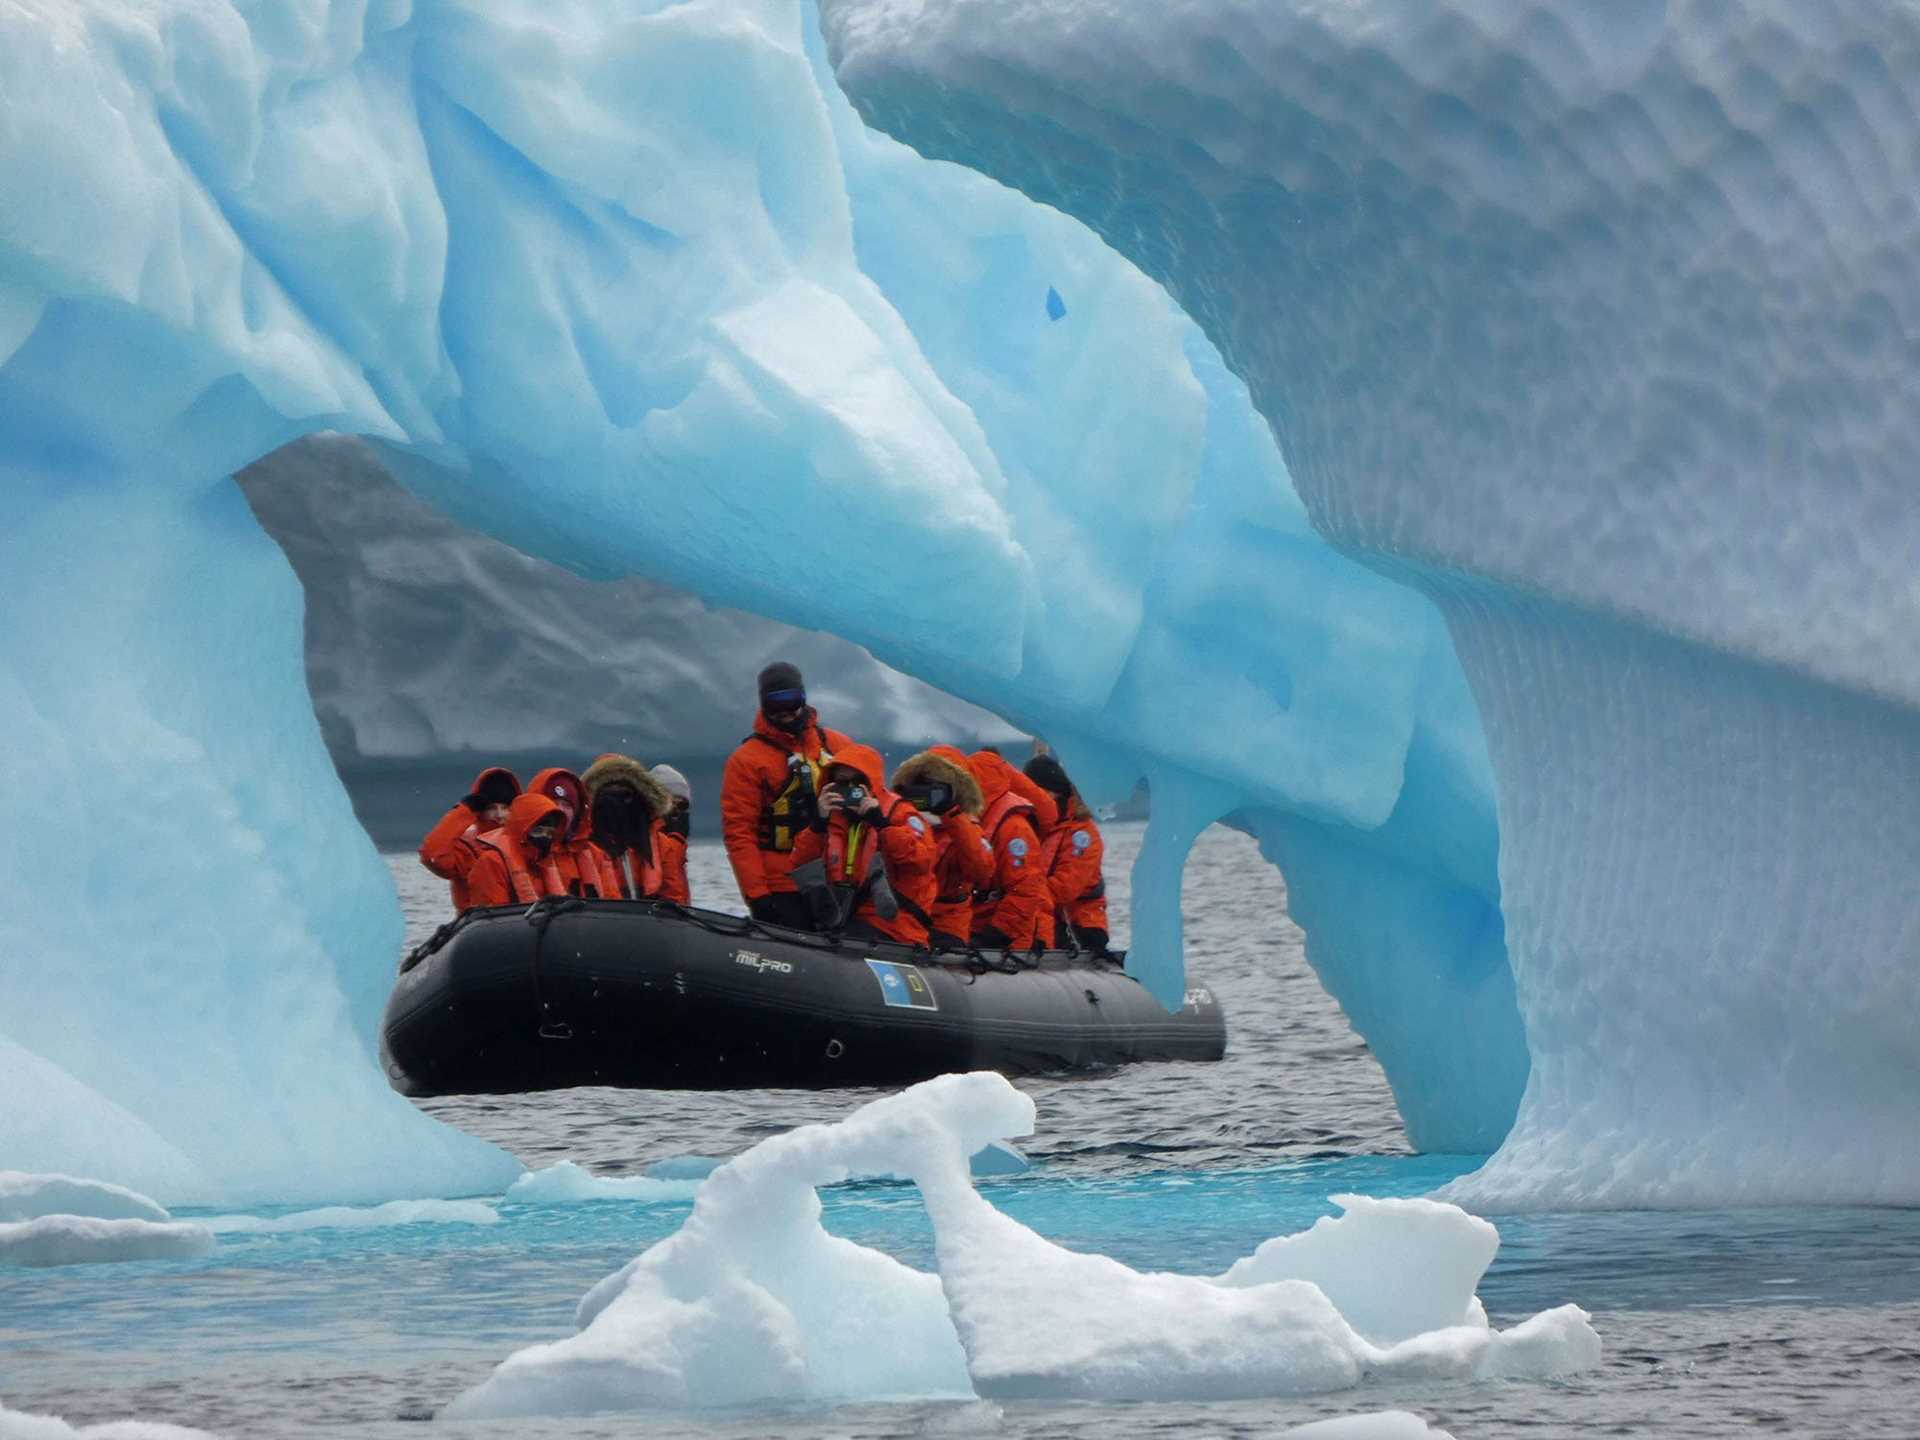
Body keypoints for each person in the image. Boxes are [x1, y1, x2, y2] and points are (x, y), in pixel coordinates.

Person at [720, 662, 852, 926]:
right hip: (782, 884)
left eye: (791, 700)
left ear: (803, 698)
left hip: (837, 878)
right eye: (775, 704)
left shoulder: (838, 745)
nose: (785, 712)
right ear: (763, 705)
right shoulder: (747, 760)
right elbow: (740, 834)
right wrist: (757, 896)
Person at [788, 743, 938, 944]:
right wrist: (817, 826)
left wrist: (882, 825)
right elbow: (800, 863)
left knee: (846, 939)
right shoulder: (830, 815)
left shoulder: (901, 814)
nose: (850, 789)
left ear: (871, 783)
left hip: (894, 921)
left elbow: (922, 862)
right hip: (842, 914)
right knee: (789, 921)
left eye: (858, 782)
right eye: (842, 782)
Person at [892, 745, 990, 949]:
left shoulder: (968, 829)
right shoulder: (900, 819)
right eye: (920, 784)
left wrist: (951, 816)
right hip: (903, 916)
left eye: (936, 787)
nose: (926, 793)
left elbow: (981, 871)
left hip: (946, 925)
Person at [1025, 752, 1112, 956]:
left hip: (1079, 924)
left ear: (1054, 793)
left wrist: (1024, 896)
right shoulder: (1034, 827)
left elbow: (1066, 888)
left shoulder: (1081, 834)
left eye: (1038, 792)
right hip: (1039, 918)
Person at [965, 748, 1052, 950]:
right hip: (977, 929)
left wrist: (997, 933)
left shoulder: (1014, 829)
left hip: (1010, 939)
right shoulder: (977, 821)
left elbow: (1024, 889)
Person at [580, 754, 688, 903]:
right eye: (608, 792)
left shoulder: (664, 847)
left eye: (626, 793)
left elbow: (676, 900)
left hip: (653, 922)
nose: (617, 800)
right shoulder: (579, 848)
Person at [418, 766, 522, 911]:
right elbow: (432, 856)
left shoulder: (528, 844)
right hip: (480, 925)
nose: (499, 815)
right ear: (479, 811)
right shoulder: (466, 848)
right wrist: (464, 811)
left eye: (505, 807)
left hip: (526, 923)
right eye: (491, 808)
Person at [466, 793, 572, 907]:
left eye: (550, 833)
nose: (545, 837)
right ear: (522, 831)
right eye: (538, 831)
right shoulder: (491, 862)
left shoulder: (546, 862)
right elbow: (492, 916)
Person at [526, 766, 612, 898]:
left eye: (567, 805)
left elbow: (613, 905)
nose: (560, 810)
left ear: (577, 813)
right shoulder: (523, 854)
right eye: (553, 802)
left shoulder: (596, 856)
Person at [649, 764, 694, 906]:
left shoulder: (678, 846)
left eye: (682, 806)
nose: (676, 811)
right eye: (670, 803)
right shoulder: (643, 844)